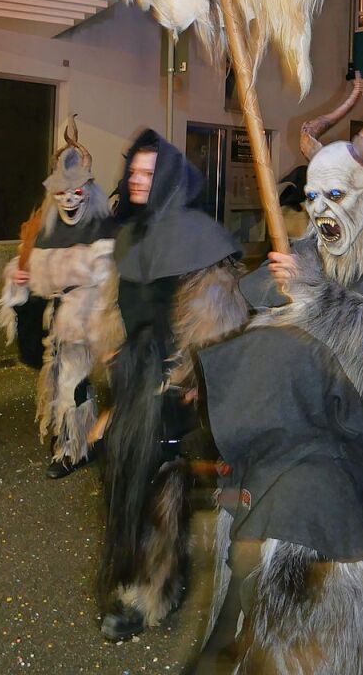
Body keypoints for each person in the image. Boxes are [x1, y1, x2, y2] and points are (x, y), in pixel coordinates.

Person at [193, 58, 363, 673]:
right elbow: (254, 302)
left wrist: (314, 294)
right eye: (310, 197)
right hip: (305, 423)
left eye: (333, 197)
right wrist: (217, 305)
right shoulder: (311, 245)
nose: (317, 212)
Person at [97, 129, 247, 642]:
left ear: (167, 180)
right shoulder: (133, 232)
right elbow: (121, 306)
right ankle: (139, 579)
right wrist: (115, 350)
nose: (136, 181)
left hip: (172, 386)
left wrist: (186, 378)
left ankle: (149, 592)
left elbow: (218, 321)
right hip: (134, 382)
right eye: (133, 172)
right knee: (127, 487)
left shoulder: (198, 237)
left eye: (146, 174)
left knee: (162, 489)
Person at [0, 117, 122, 478]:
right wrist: (20, 279)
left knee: (71, 384)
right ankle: (74, 441)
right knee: (63, 383)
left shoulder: (104, 231)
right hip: (57, 323)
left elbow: (112, 282)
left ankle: (74, 449)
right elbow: (34, 275)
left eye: (75, 192)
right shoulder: (48, 230)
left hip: (87, 321)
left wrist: (88, 313)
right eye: (62, 194)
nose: (68, 200)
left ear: (88, 191)